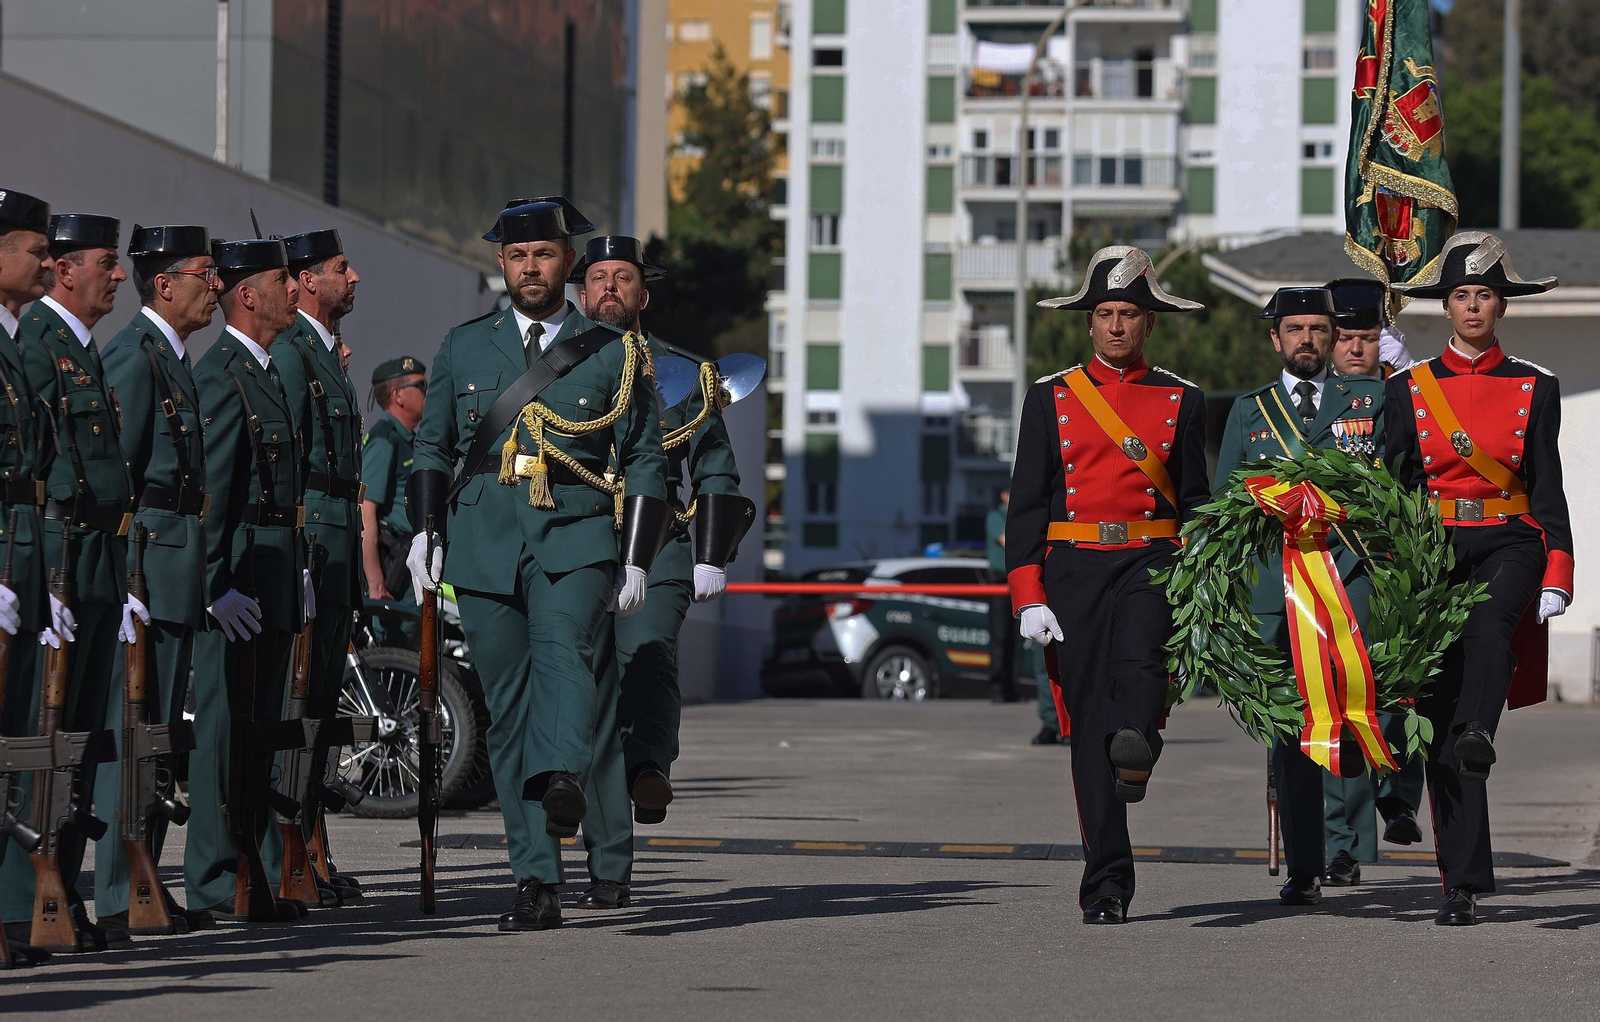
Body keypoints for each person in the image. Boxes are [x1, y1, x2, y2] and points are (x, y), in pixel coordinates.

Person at [407, 199, 669, 932]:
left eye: (545, 255)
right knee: (508, 713)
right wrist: (423, 531)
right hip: (485, 542)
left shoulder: (610, 350)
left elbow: (645, 456)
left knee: (568, 663)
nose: (531, 267)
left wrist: (638, 556)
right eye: (518, 255)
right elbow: (432, 446)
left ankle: (563, 779)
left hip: (576, 536)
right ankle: (536, 880)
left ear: (567, 263)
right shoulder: (464, 346)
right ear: (501, 264)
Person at [1006, 246, 1209, 924]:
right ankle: (1107, 883)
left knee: (1142, 660)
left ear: (1149, 324)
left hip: (1152, 560)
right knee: (1090, 730)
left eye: (1128, 314)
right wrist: (1028, 593)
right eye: (1105, 314)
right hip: (1072, 570)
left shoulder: (1183, 398)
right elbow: (1028, 506)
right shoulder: (1050, 397)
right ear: (1088, 322)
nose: (1117, 325)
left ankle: (1140, 740)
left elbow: (1197, 503)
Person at [1386, 232, 1572, 926]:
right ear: (1447, 306)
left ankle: (1480, 730)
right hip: (1432, 542)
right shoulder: (1409, 388)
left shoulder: (1535, 385)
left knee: (1492, 628)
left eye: (1484, 295)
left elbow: (1547, 488)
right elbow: (1393, 485)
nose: (1472, 306)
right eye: (1461, 295)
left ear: (1500, 306)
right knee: (1435, 717)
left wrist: (1560, 566)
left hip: (1510, 537)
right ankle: (1460, 883)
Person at [565, 235, 748, 910]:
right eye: (598, 278)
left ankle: (650, 763)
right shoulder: (553, 367)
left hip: (663, 543)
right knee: (591, 705)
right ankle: (609, 867)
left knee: (645, 656)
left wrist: (712, 553)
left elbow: (716, 466)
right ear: (581, 293)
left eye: (623, 278)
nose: (609, 287)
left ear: (645, 294)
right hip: (582, 541)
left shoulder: (683, 372)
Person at [1215, 286, 1393, 905]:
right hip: (1275, 594)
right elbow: (1224, 513)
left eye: (1319, 329)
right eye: (1295, 330)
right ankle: (1305, 864)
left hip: (1350, 587)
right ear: (1276, 339)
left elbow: (1401, 490)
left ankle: (1346, 848)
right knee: (1290, 732)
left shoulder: (1371, 400)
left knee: (1348, 712)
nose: (1308, 340)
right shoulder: (1249, 412)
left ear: (1335, 334)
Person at [12, 213, 134, 948]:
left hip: (95, 554)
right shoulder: (36, 346)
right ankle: (29, 896)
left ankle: (64, 893)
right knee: (43, 734)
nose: (117, 274)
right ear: (65, 270)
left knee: (82, 735)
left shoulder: (81, 350)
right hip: (56, 550)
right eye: (105, 262)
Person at [185, 237, 316, 919]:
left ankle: (257, 870)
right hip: (237, 572)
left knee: (261, 729)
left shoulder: (263, 369)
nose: (294, 289)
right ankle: (213, 877)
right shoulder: (224, 373)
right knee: (223, 729)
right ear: (247, 295)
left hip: (270, 565)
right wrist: (211, 584)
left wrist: (295, 565)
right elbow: (212, 491)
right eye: (280, 279)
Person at [95, 225, 221, 932]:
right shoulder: (135, 361)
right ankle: (116, 892)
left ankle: (145, 882)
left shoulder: (171, 359)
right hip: (149, 573)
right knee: (132, 738)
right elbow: (123, 483)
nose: (216, 286)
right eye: (204, 273)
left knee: (160, 738)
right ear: (164, 284)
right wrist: (129, 582)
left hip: (179, 568)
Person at [268, 229, 364, 904]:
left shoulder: (324, 352)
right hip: (314, 541)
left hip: (335, 545)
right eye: (339, 268)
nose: (354, 277)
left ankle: (314, 847)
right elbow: (292, 462)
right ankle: (289, 854)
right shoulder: (295, 351)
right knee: (297, 707)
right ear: (304, 280)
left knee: (320, 709)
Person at [1322, 277, 1427, 869]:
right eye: (1346, 338)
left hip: (1393, 565)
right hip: (1329, 568)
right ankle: (1343, 843)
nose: (1356, 349)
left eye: (1367, 337)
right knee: (1338, 701)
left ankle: (1399, 799)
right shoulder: (1310, 404)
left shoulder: (1404, 398)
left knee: (1401, 694)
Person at [0, 188, 54, 967]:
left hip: (21, 556)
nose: (48, 259)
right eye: (33, 249)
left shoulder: (14, 342)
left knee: (13, 747)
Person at [361, 355, 427, 648]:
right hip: (394, 575)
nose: (429, 392)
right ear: (397, 395)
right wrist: (376, 584)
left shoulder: (408, 439)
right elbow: (366, 512)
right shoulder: (385, 440)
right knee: (396, 660)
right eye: (422, 386)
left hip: (412, 564)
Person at [1327, 277, 1418, 378]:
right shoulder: (1315, 391)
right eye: (1345, 339)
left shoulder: (1402, 388)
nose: (1356, 349)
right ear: (1331, 340)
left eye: (1369, 339)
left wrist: (1409, 376)